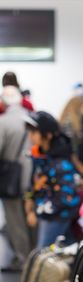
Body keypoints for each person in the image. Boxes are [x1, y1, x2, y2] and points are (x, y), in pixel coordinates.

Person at [24, 111, 80, 248]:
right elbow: (36, 183)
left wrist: (39, 212)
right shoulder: (40, 157)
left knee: (42, 253)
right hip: (49, 213)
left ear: (48, 135)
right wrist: (30, 201)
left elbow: (65, 196)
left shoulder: (61, 164)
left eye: (34, 132)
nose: (30, 136)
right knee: (67, 249)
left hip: (57, 216)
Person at [0, 86, 32, 272]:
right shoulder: (31, 117)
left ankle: (23, 259)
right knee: (31, 219)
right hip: (33, 177)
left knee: (15, 221)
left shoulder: (3, 122)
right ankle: (34, 255)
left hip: (11, 177)